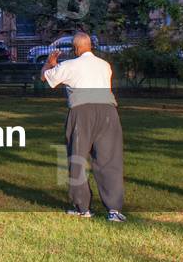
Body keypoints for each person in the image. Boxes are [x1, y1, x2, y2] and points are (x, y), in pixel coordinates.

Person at [41, 31, 126, 222]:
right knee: (109, 159)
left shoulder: (70, 65)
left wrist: (49, 63)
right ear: (90, 46)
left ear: (75, 48)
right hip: (108, 112)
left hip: (82, 112)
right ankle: (114, 210)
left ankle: (83, 208)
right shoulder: (105, 65)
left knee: (77, 158)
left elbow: (45, 78)